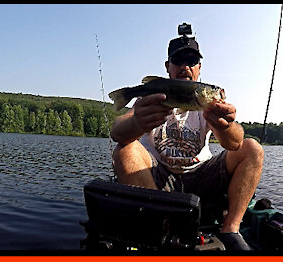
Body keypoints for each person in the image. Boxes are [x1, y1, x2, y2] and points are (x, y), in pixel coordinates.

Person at [110, 25, 264, 251]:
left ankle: (231, 229)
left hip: (201, 178)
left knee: (253, 148)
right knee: (124, 150)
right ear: (168, 67)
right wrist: (136, 123)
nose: (185, 66)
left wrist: (225, 125)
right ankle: (160, 231)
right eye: (178, 61)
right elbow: (117, 131)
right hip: (158, 179)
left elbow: (235, 142)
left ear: (199, 68)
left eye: (191, 61)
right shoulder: (153, 98)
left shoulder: (208, 102)